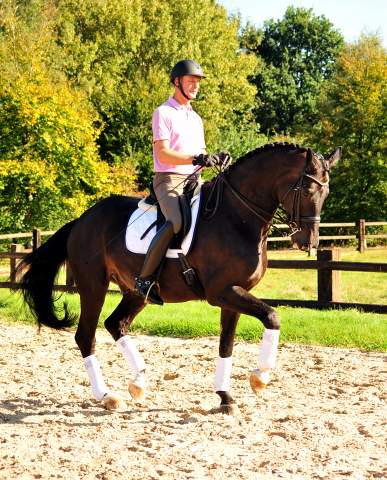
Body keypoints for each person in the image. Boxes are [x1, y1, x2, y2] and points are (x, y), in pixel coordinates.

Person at [134, 59, 225, 305]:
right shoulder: (163, 112)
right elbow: (163, 153)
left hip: (194, 179)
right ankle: (144, 280)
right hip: (168, 179)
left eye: (197, 82)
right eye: (190, 81)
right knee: (175, 222)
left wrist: (214, 159)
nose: (195, 85)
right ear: (177, 82)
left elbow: (201, 156)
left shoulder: (196, 118)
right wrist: (196, 157)